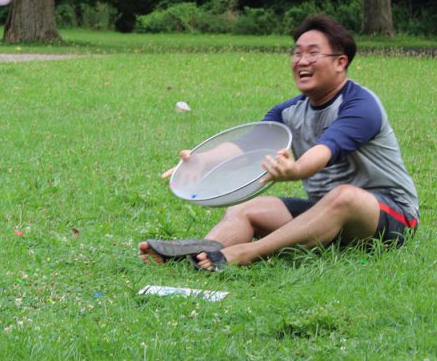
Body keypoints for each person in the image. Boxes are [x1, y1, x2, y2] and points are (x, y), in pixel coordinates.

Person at [138, 14, 419, 271]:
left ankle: (246, 253)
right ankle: (201, 254)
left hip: (389, 218)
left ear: (340, 62)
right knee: (243, 210)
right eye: (297, 53)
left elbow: (324, 151)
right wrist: (202, 160)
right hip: (322, 215)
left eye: (313, 53)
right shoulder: (288, 112)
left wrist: (295, 171)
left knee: (344, 196)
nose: (302, 61)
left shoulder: (360, 105)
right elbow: (246, 146)